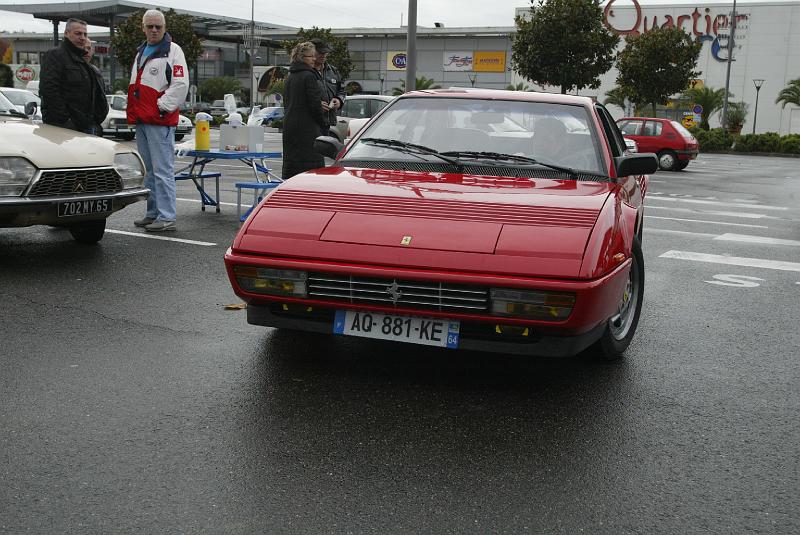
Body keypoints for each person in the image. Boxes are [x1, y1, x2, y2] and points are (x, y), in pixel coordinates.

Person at [126, 9, 188, 232]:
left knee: (162, 171)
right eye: (150, 26)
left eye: (158, 27)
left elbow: (181, 84)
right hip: (143, 120)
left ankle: (167, 216)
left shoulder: (173, 51)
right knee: (150, 171)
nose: (154, 30)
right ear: (143, 27)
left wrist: (161, 107)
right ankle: (153, 212)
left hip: (159, 120)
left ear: (164, 28)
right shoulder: (141, 51)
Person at [40, 18, 108, 134]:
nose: (82, 37)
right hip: (64, 130)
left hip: (86, 127)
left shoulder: (84, 63)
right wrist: (66, 121)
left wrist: (96, 120)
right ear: (66, 34)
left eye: (85, 34)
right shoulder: (55, 55)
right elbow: (49, 90)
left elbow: (96, 95)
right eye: (78, 33)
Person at [282, 42, 327, 179]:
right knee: (311, 176)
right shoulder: (309, 76)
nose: (314, 59)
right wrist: (324, 125)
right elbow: (314, 106)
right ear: (302, 57)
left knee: (294, 177)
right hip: (307, 132)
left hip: (290, 130)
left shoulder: (290, 77)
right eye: (311, 56)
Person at [309, 38, 346, 136]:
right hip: (310, 124)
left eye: (326, 52)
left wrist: (339, 100)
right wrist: (316, 104)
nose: (324, 55)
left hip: (327, 124)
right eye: (320, 52)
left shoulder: (333, 71)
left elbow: (342, 90)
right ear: (312, 52)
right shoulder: (306, 72)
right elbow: (298, 97)